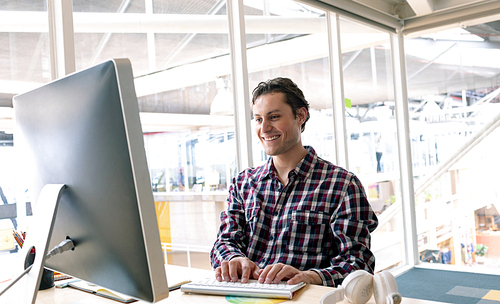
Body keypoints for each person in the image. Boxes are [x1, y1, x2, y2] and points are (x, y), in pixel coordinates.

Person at [210, 77, 378, 287]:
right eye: (259, 119)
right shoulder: (243, 183)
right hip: (244, 297)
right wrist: (234, 260)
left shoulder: (342, 185)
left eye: (274, 117)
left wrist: (308, 276)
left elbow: (359, 264)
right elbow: (225, 242)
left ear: (300, 116)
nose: (264, 129)